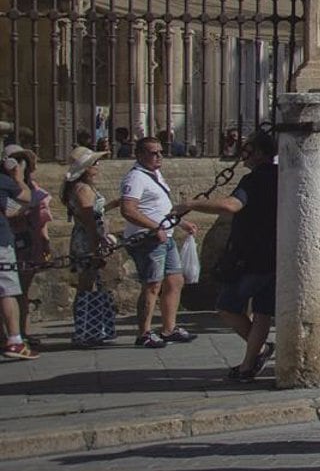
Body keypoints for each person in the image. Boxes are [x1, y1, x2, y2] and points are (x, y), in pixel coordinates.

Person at [162, 130, 279, 380]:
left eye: (248, 149)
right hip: (275, 254)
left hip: (250, 256)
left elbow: (231, 205)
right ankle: (248, 365)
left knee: (227, 306)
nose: (244, 154)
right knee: (262, 313)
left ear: (259, 153)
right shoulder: (284, 177)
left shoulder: (254, 180)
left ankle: (259, 350)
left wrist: (191, 205)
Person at [119, 136, 196, 349]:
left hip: (166, 235)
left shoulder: (154, 175)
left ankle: (168, 329)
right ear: (140, 154)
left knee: (175, 280)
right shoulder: (135, 178)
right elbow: (128, 209)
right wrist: (154, 227)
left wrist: (181, 223)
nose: (159, 156)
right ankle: (143, 332)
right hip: (148, 239)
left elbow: (161, 206)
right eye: (153, 153)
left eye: (160, 152)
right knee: (153, 284)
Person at [61, 148, 112, 337]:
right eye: (94, 164)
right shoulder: (83, 189)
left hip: (85, 236)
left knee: (90, 283)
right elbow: (89, 219)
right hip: (87, 239)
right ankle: (84, 327)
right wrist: (96, 242)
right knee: (86, 284)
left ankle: (90, 326)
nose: (97, 167)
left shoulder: (82, 188)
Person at [5, 146, 50, 345]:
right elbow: (14, 209)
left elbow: (40, 218)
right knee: (9, 292)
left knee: (22, 291)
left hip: (27, 241)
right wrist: (18, 181)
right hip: (11, 241)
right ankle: (13, 335)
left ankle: (21, 331)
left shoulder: (30, 186)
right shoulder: (12, 185)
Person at [0, 150, 34, 359]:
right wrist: (18, 178)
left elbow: (11, 210)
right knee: (6, 290)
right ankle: (14, 340)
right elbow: (27, 197)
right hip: (1, 243)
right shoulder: (4, 181)